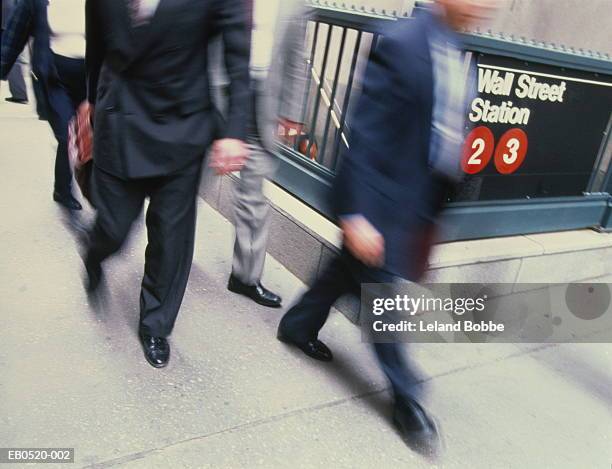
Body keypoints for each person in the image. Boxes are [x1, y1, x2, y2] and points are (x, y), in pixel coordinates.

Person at [277, 0, 497, 455]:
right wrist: (356, 215)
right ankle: (406, 396)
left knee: (345, 272)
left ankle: (298, 326)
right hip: (377, 204)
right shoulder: (402, 45)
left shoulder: (456, 52)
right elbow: (369, 134)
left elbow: (440, 137)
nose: (485, 5)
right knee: (385, 301)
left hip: (412, 205)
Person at [83, 0, 251, 368]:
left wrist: (235, 131)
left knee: (170, 237)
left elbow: (238, 59)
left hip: (182, 125)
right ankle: (94, 254)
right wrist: (91, 100)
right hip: (119, 118)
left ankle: (155, 323)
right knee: (112, 227)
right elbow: (96, 42)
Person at [226, 0, 309, 308]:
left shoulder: (294, 5)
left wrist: (292, 113)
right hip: (220, 97)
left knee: (254, 197)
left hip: (263, 107)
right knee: (188, 184)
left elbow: (298, 61)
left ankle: (245, 277)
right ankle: (168, 257)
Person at [1, 0, 86, 210]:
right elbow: (15, 33)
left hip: (91, 80)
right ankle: (63, 190)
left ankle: (97, 189)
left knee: (95, 135)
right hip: (54, 79)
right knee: (67, 134)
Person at [1, 0, 28, 104]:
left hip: (8, 16)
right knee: (16, 56)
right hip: (16, 16)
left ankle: (20, 94)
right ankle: (20, 94)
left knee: (13, 56)